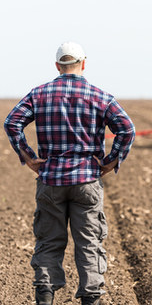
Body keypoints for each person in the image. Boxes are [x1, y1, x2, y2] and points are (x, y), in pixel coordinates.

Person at [4, 42, 135, 305]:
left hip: (50, 181)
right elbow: (127, 129)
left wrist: (28, 157)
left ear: (57, 66)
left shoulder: (39, 94)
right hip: (87, 180)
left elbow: (12, 122)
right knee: (89, 243)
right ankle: (91, 299)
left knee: (49, 242)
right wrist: (110, 162)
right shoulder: (100, 96)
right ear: (83, 64)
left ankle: (44, 297)